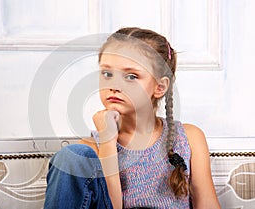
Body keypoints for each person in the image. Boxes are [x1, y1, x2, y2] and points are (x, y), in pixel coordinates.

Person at [44, 27, 221, 209]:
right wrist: (107, 141)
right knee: (72, 156)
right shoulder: (88, 151)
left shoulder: (189, 138)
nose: (114, 85)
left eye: (131, 76)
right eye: (107, 74)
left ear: (159, 87)